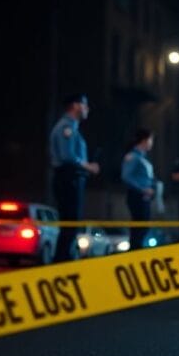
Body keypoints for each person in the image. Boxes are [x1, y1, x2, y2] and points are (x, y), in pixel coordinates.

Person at [49, 94, 100, 262]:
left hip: (71, 179)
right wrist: (89, 166)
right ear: (75, 106)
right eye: (85, 105)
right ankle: (62, 262)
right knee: (70, 223)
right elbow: (68, 157)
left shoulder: (72, 128)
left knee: (71, 224)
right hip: (68, 178)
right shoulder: (67, 128)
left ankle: (64, 259)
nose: (87, 109)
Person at [121, 129, 156, 251]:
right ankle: (134, 251)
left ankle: (137, 249)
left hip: (144, 198)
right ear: (145, 140)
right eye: (151, 140)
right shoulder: (133, 156)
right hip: (137, 196)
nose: (152, 143)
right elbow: (126, 176)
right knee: (139, 226)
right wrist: (143, 189)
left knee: (143, 226)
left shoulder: (142, 157)